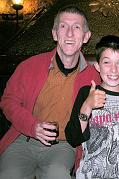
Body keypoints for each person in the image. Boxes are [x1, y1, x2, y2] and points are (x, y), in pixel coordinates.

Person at [0, 5, 101, 179]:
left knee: (58, 175)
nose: (69, 34)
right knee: (10, 174)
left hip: (63, 146)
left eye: (76, 27)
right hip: (23, 139)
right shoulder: (29, 66)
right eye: (63, 26)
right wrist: (33, 126)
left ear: (86, 37)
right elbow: (8, 101)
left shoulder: (93, 77)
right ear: (55, 34)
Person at [65, 35, 119, 179]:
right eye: (107, 62)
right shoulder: (87, 93)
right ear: (98, 66)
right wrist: (87, 105)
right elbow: (73, 138)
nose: (113, 70)